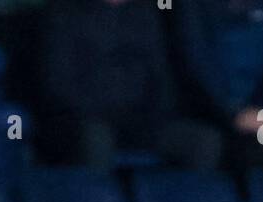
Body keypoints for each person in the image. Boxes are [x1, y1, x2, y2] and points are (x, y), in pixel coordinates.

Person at [32, 0, 225, 171]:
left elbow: (160, 75)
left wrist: (155, 114)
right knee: (96, 139)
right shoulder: (64, 13)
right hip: (84, 119)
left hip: (142, 121)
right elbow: (58, 83)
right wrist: (99, 110)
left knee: (203, 141)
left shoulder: (146, 13)